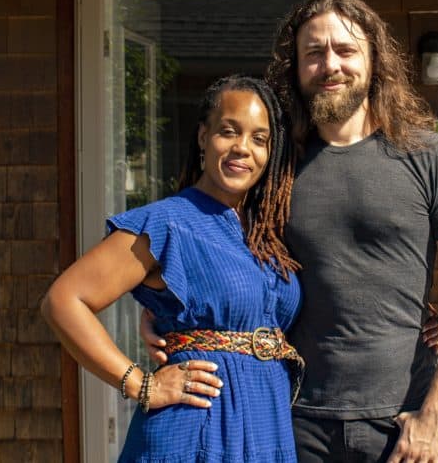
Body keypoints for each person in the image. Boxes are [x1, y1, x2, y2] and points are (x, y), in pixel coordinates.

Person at [148, 0, 438, 462]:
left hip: (403, 424)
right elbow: (202, 237)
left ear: (374, 59)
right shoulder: (274, 166)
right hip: (292, 419)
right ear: (296, 66)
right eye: (314, 53)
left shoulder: (429, 157)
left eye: (346, 50)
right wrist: (162, 306)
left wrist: (437, 414)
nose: (330, 64)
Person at [41, 74, 305, 463]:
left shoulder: (267, 235)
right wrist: (141, 384)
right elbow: (63, 300)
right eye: (228, 132)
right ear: (203, 137)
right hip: (195, 433)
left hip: (267, 428)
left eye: (259, 139)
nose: (242, 148)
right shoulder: (168, 223)